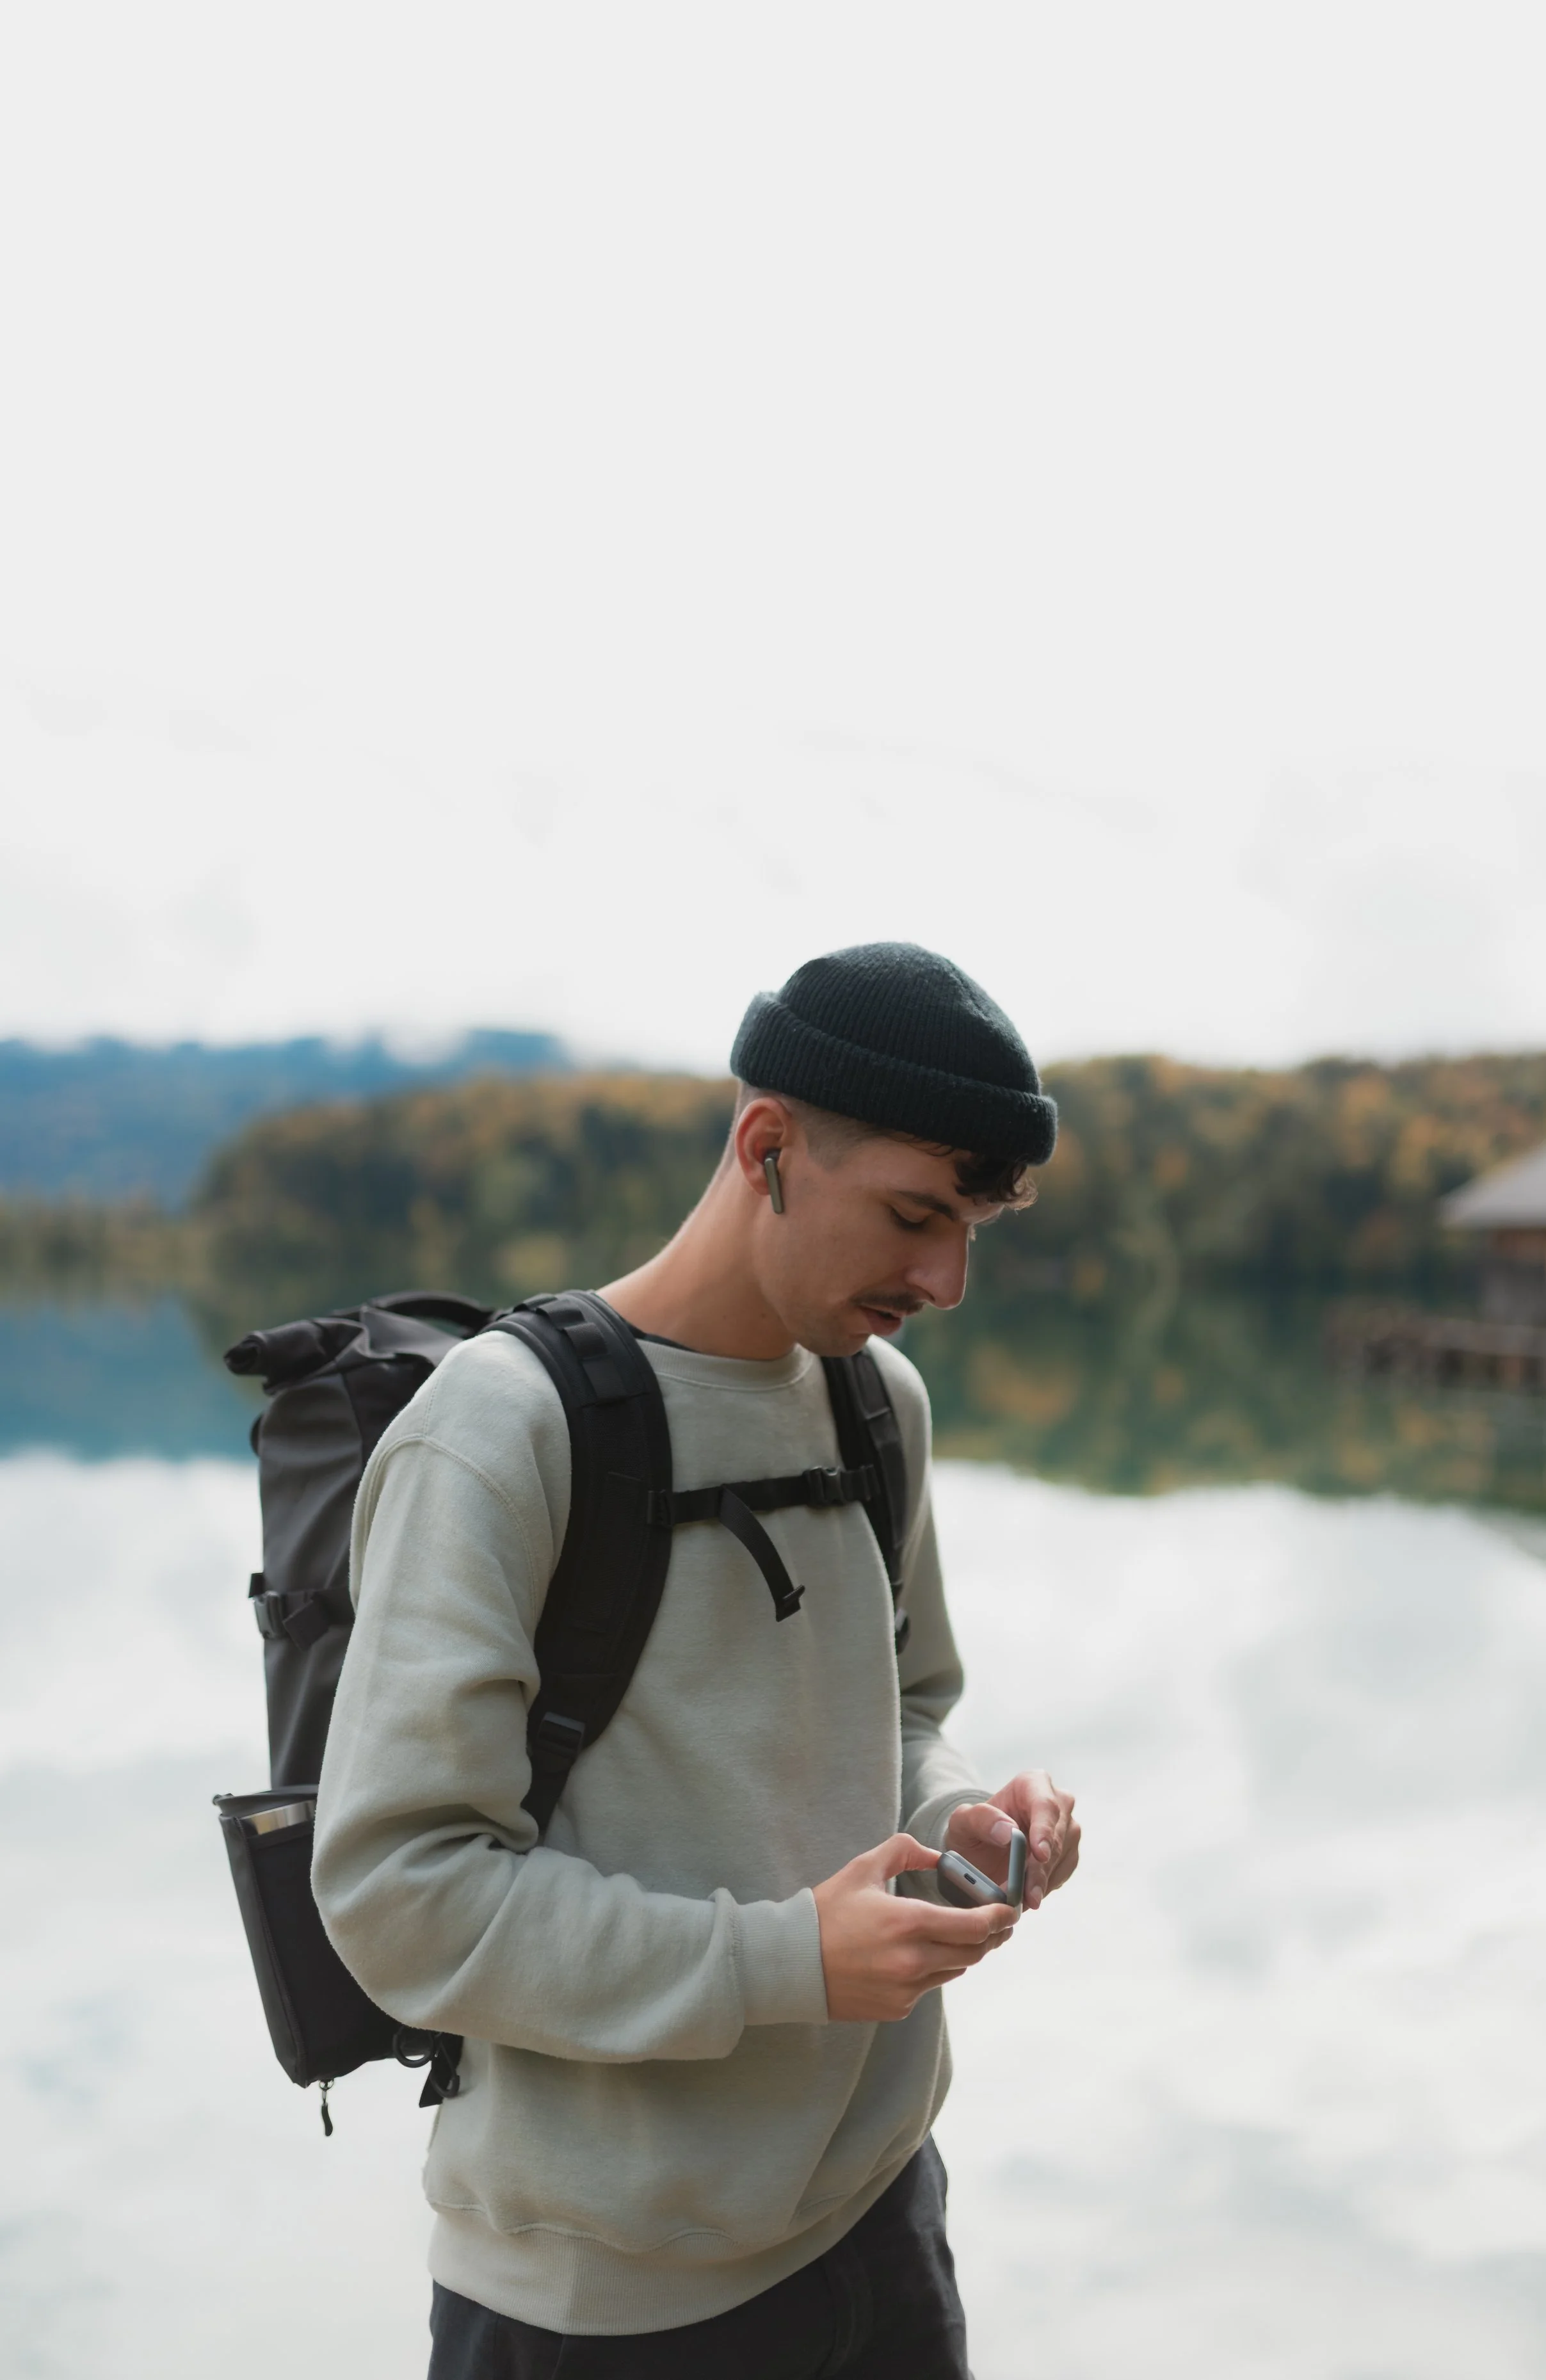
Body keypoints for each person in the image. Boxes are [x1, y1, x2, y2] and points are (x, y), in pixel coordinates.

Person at [312, 941, 1081, 2379]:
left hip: (880, 2221)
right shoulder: (501, 1433)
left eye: (972, 1226)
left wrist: (952, 1820)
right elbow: (398, 1896)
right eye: (915, 1214)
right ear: (766, 1146)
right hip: (603, 2304)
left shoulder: (875, 1406)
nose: (946, 1278)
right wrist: (782, 1960)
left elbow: (905, 1707)